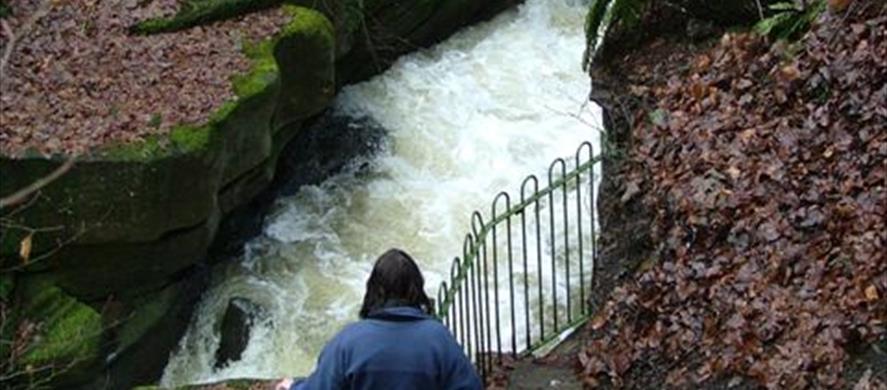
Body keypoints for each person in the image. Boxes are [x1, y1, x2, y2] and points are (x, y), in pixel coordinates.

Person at [274, 248, 483, 390]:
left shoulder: (349, 341)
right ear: (416, 289)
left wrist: (293, 386)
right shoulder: (439, 338)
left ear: (374, 290)